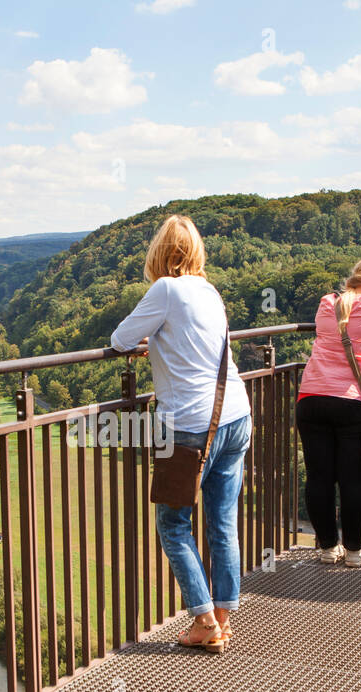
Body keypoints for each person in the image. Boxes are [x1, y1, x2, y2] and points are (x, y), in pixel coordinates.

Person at [111, 215, 252, 652]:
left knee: (173, 524)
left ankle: (204, 621)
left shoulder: (165, 290)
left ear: (159, 253)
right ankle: (222, 618)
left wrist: (149, 339)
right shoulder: (209, 290)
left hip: (191, 424)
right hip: (234, 414)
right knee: (223, 521)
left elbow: (119, 339)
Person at [296, 256, 361, 567]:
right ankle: (354, 550)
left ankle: (327, 547)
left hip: (311, 398)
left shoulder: (327, 302)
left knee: (319, 477)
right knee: (354, 478)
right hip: (354, 401)